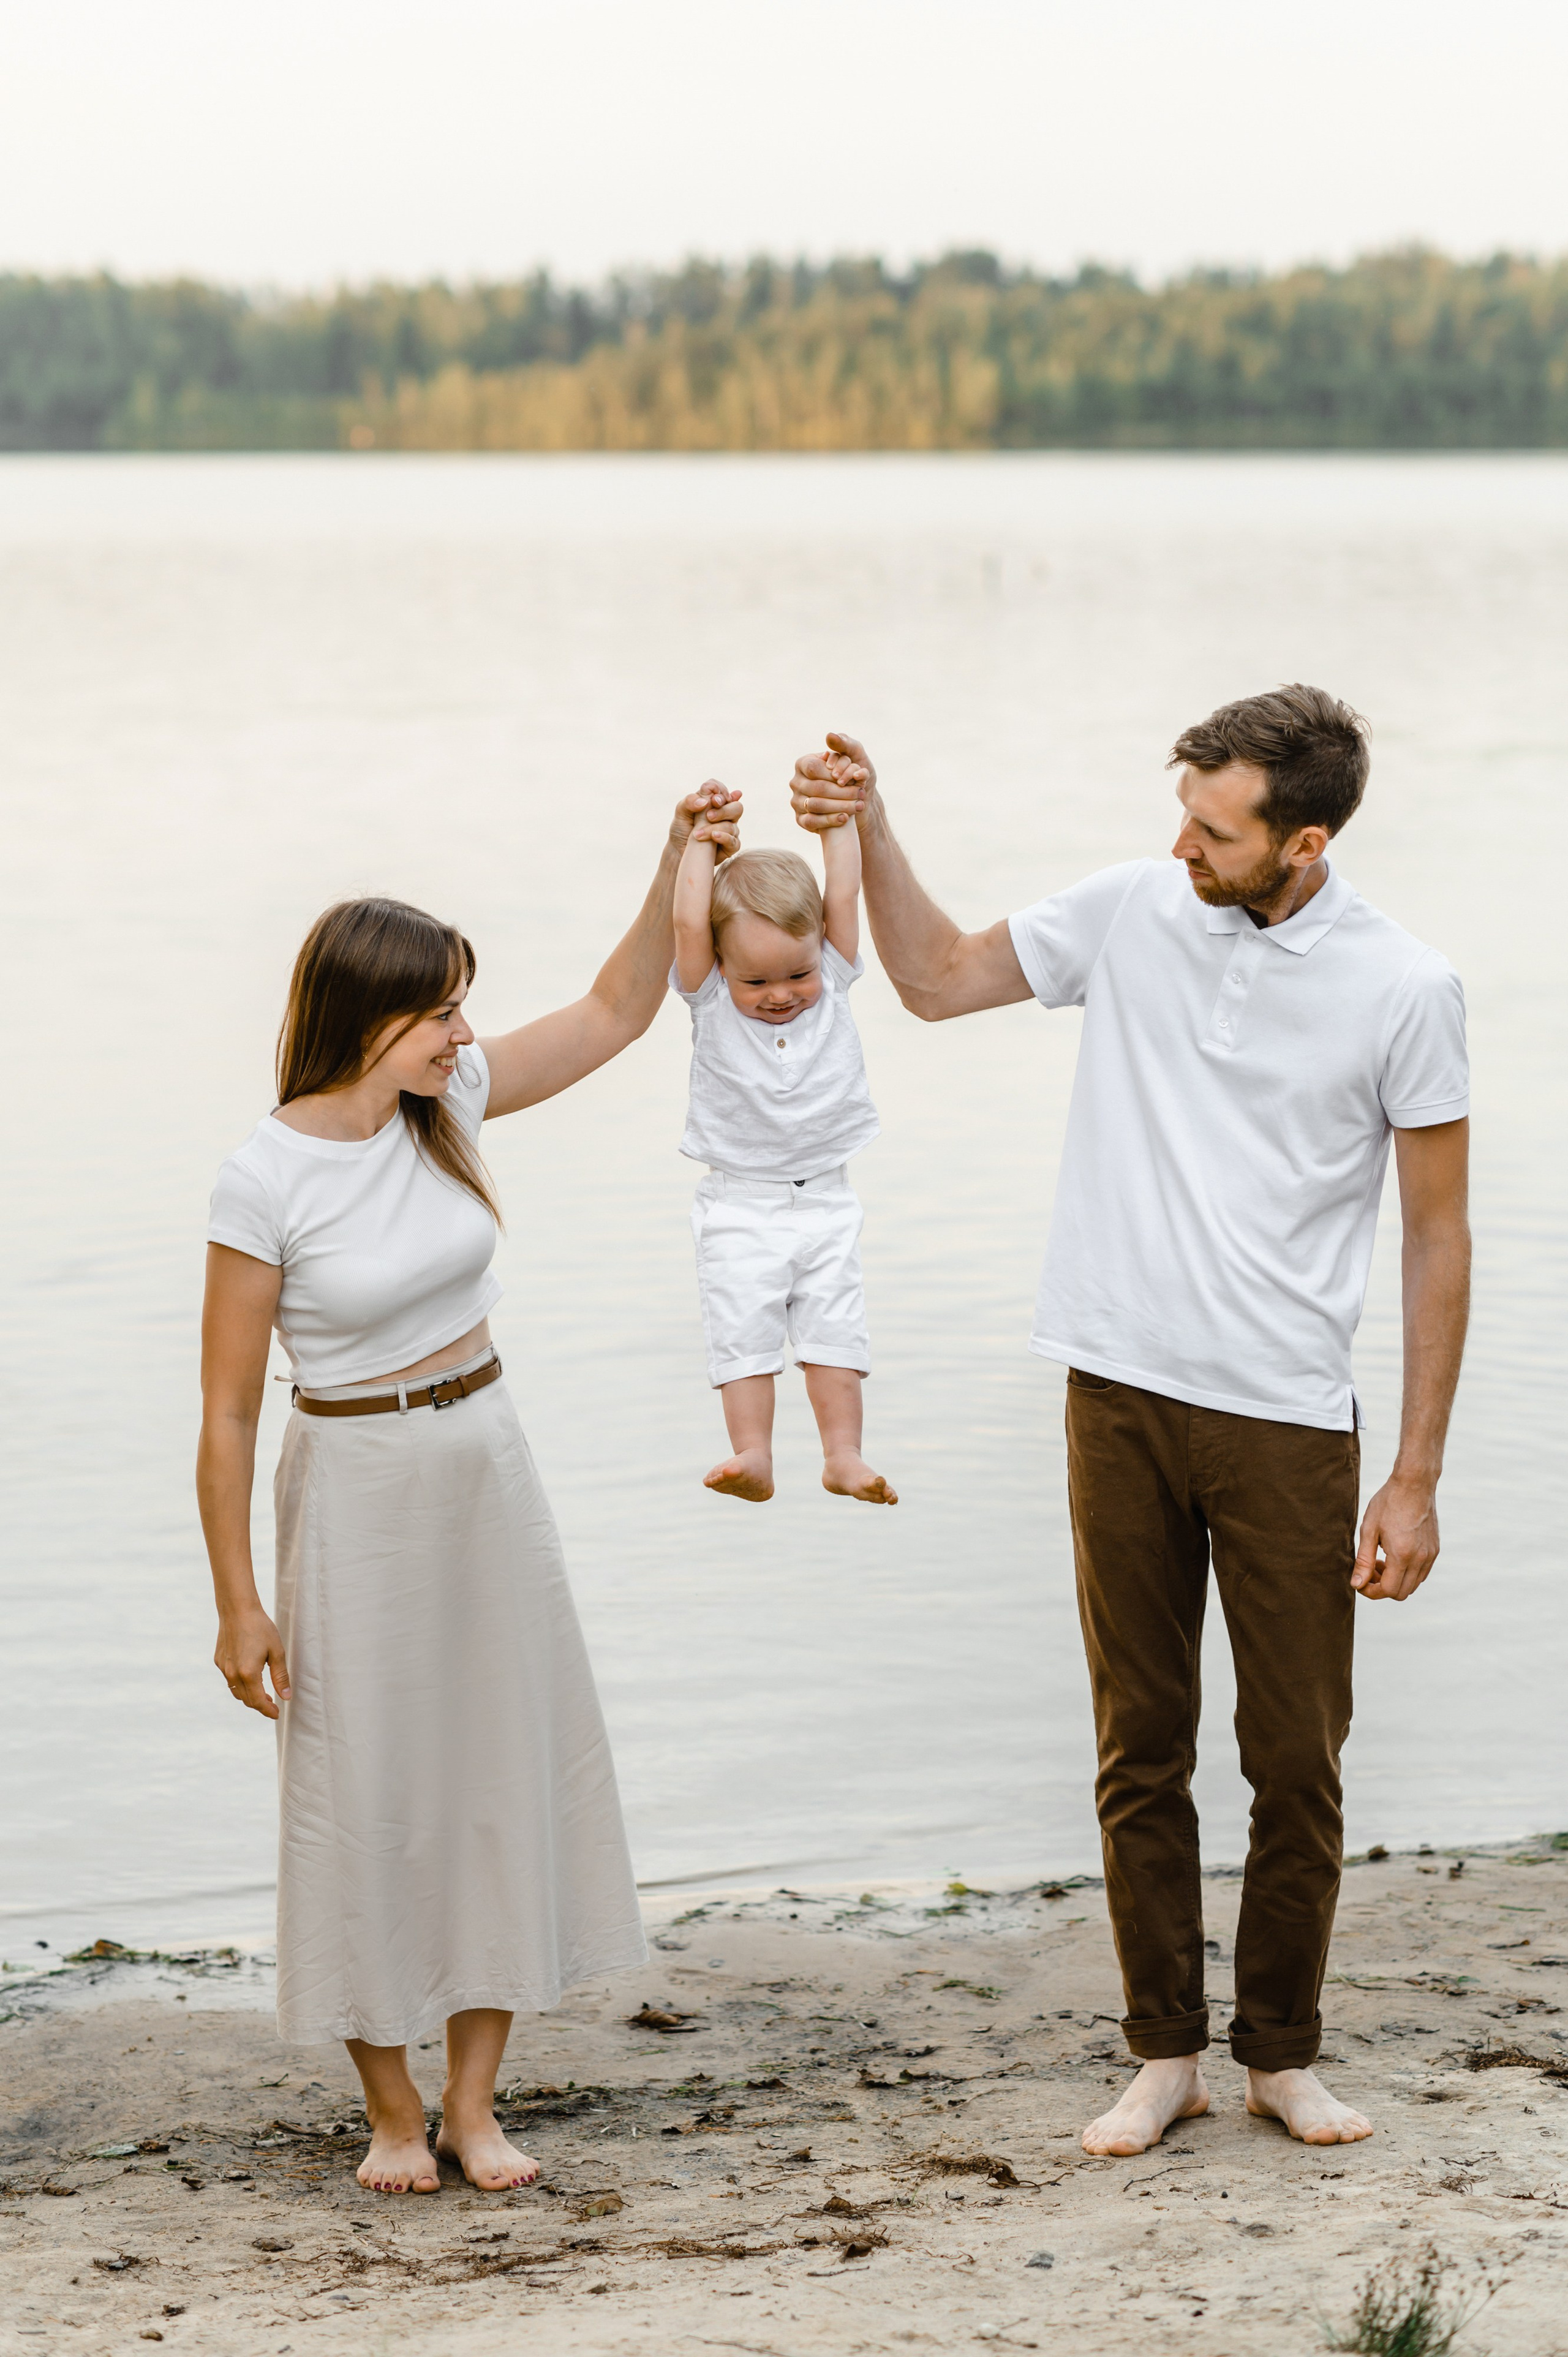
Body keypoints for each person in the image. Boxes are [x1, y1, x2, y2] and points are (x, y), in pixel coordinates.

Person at [790, 690, 1469, 2155]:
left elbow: (1435, 1236)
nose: (1180, 848)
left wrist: (1412, 1473)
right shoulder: (1128, 909)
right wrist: (872, 823)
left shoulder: (1405, 985)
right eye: (1180, 814)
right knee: (1136, 1744)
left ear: (1302, 840)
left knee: (1294, 1756)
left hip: (1284, 1417)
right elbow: (932, 978)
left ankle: (1278, 2053)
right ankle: (1162, 2052)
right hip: (1113, 1390)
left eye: (1212, 830)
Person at [197, 782, 740, 2196]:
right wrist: (238, 1601)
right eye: (438, 1010)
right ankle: (391, 2114)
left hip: (486, 1468)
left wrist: (674, 859)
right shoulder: (263, 1178)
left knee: (498, 1768)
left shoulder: (452, 1104)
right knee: (362, 1793)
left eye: (461, 1008)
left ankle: (475, 2102)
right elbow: (228, 1411)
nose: (461, 1032)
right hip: (353, 1490)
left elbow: (617, 1008)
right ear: (365, 1017)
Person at [670, 799, 894, 1504]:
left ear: (819, 946)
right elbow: (687, 923)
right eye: (756, 982)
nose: (780, 995)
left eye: (797, 974)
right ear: (721, 967)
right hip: (739, 1201)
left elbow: (845, 891)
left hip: (825, 1195)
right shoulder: (708, 996)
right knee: (743, 1331)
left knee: (835, 1330)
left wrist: (837, 823)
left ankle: (843, 1454)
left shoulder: (835, 974)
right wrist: (701, 842)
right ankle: (753, 1453)